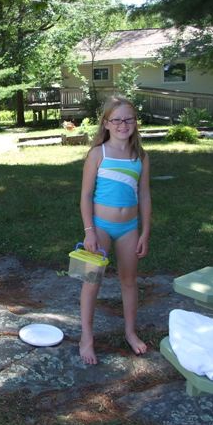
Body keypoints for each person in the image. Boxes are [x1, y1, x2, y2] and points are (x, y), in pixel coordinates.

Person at [79, 97, 151, 365]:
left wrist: (145, 232)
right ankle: (87, 336)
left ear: (135, 123)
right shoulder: (98, 154)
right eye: (117, 119)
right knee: (91, 281)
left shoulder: (140, 157)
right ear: (106, 123)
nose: (123, 124)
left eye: (129, 119)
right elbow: (85, 196)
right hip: (100, 228)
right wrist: (89, 231)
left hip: (129, 229)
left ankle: (130, 332)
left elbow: (144, 196)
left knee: (129, 280)